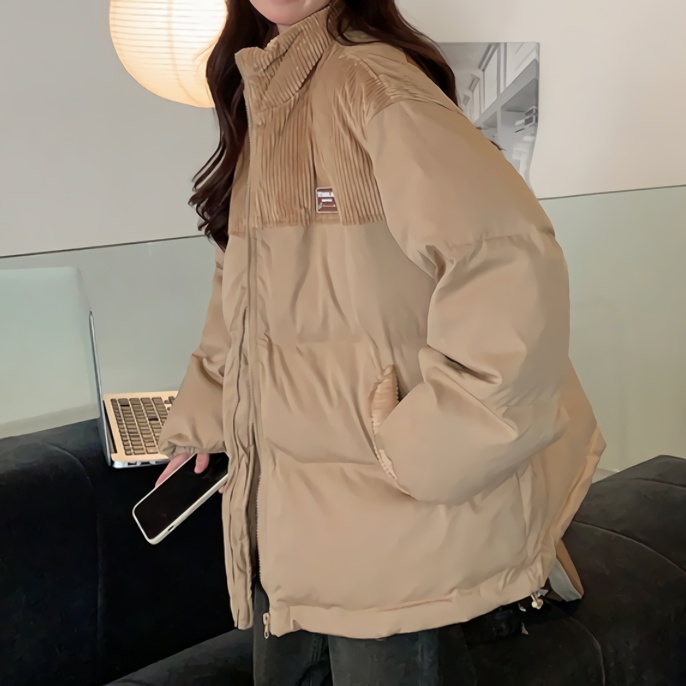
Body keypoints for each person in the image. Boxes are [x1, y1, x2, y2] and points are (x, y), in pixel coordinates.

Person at [157, 1, 605, 683]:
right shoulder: (270, 92)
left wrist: (428, 451)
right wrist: (206, 420)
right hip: (293, 527)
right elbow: (241, 292)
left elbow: (512, 272)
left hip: (396, 538)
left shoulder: (371, 83)